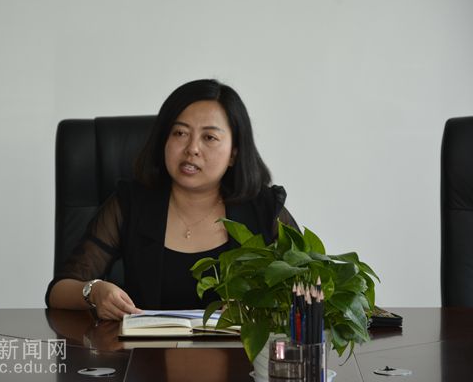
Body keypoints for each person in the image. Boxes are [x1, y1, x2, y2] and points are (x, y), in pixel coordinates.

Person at [45, 79, 298, 320]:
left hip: (238, 352)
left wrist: (262, 305)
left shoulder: (264, 210)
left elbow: (309, 285)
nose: (192, 149)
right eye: (180, 133)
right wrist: (93, 292)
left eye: (209, 137)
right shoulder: (131, 203)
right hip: (144, 350)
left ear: (233, 153)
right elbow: (59, 291)